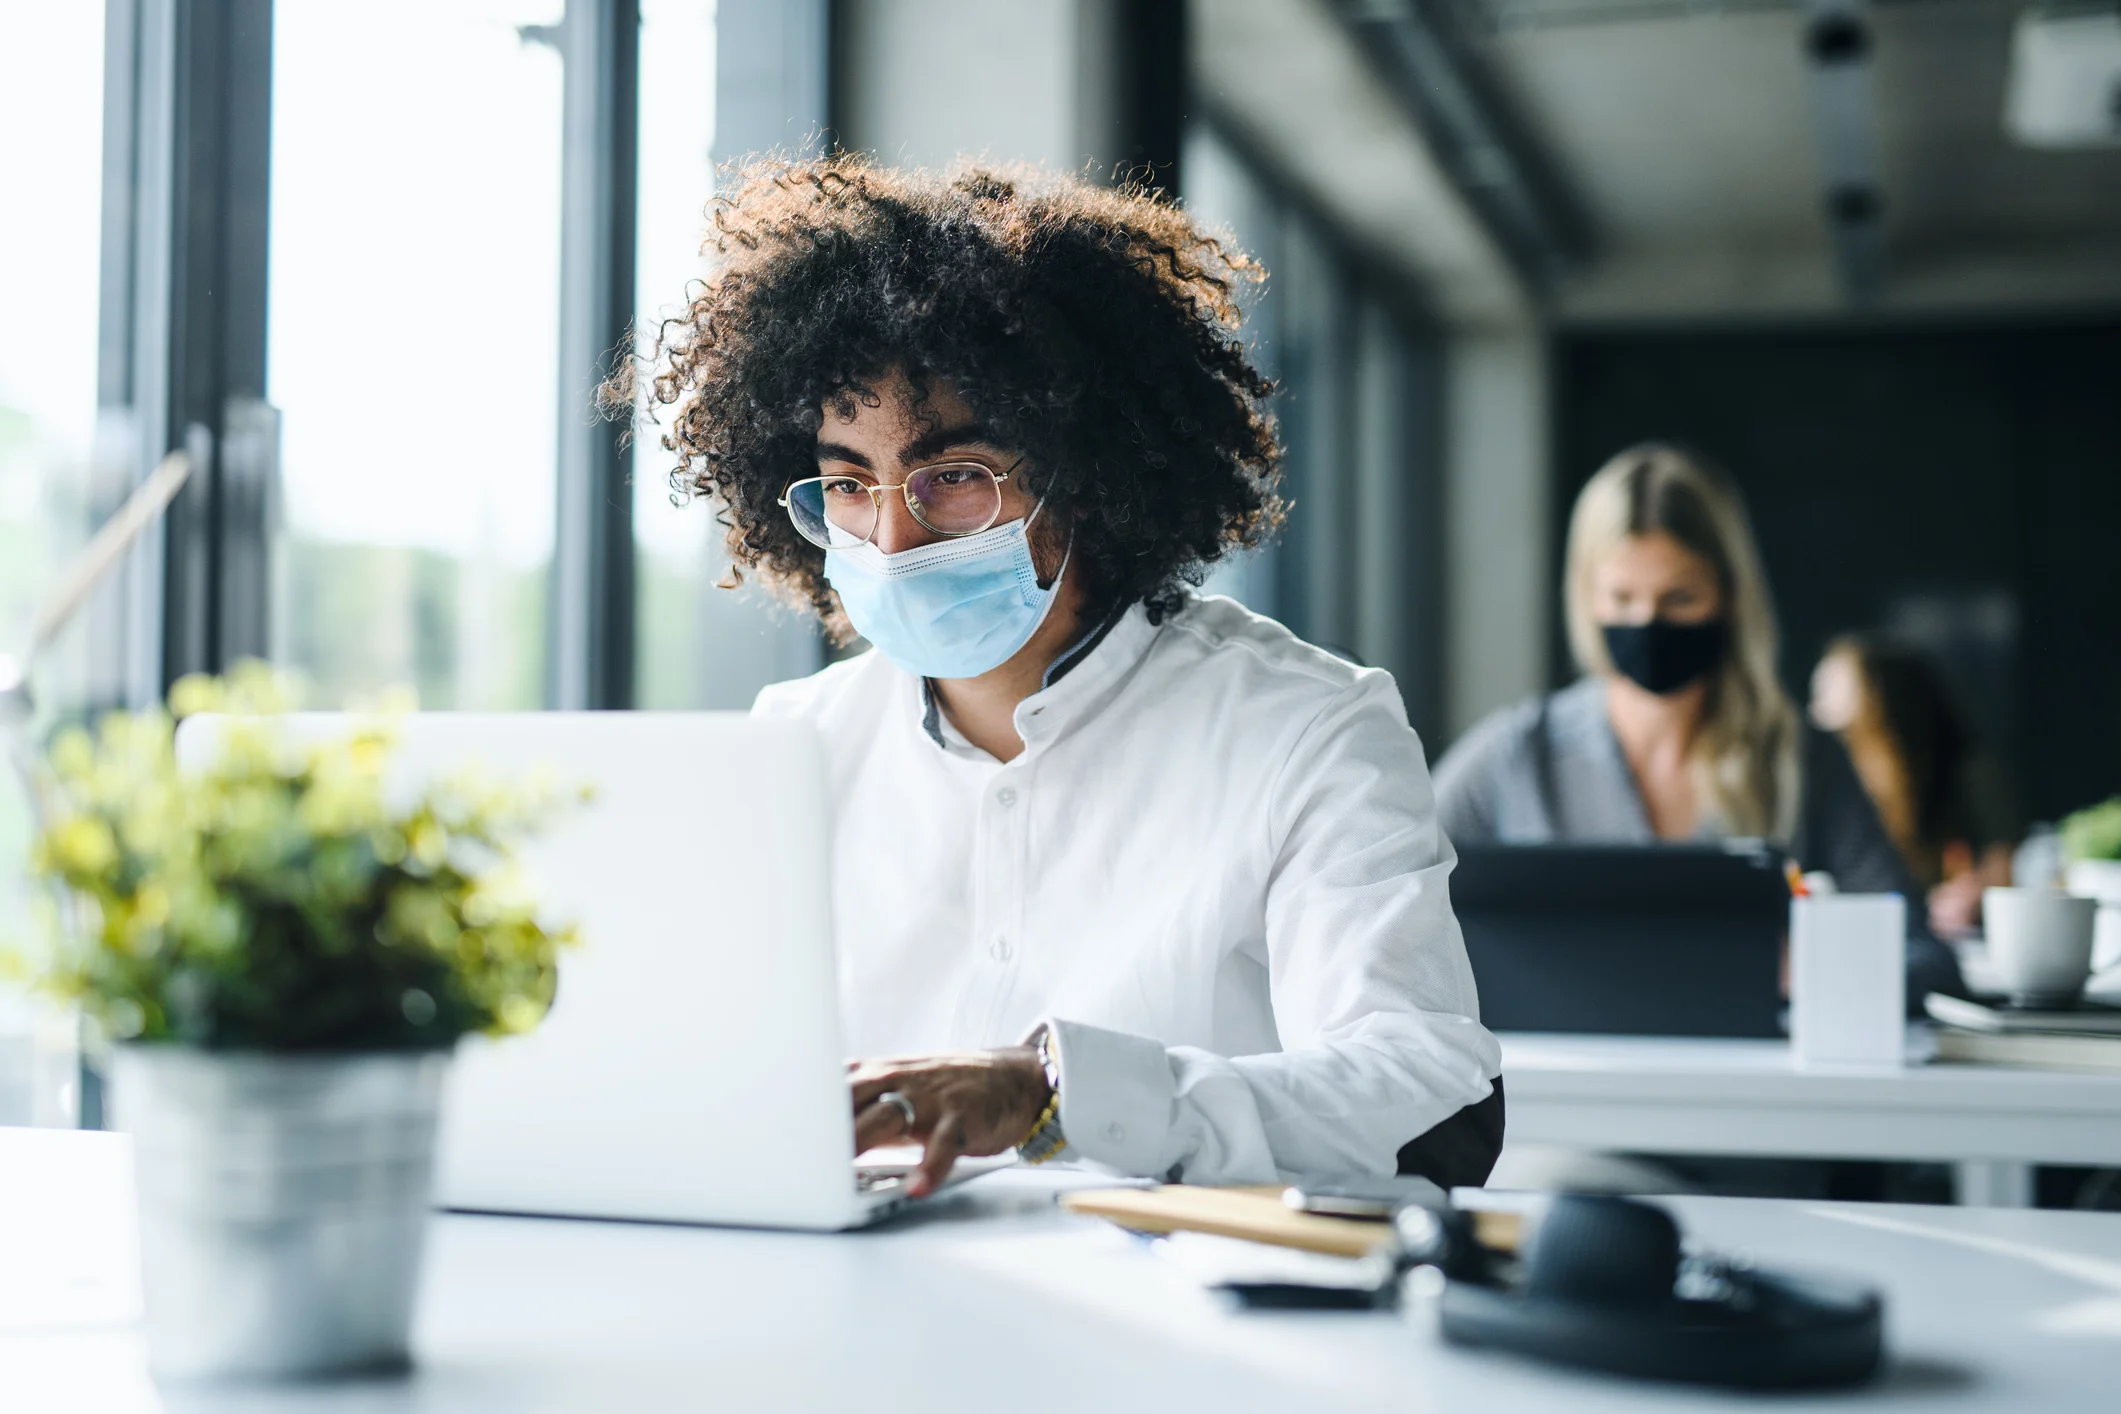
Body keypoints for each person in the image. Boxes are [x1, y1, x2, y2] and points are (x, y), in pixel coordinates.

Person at [623, 158, 1502, 1196]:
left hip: (1188, 1326)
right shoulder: (791, 750)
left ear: (1084, 471)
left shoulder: (1305, 729)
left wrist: (1056, 1094)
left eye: (953, 476)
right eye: (851, 482)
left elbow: (1431, 1099)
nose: (893, 535)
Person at [1433, 443, 1963, 1008]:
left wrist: (1823, 973)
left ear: (1730, 595)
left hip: (1746, 1090)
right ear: (1586, 597)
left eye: (1679, 598)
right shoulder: (1517, 753)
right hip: (1563, 1087)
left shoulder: (1802, 760)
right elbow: (1377, 901)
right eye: (1622, 597)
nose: (1647, 623)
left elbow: (1926, 957)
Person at [1808, 635, 2020, 938]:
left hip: (1942, 938)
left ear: (1882, 698)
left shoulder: (1961, 769)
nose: (1816, 711)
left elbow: (2001, 862)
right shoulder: (1831, 781)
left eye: (1829, 692)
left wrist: (1976, 892)